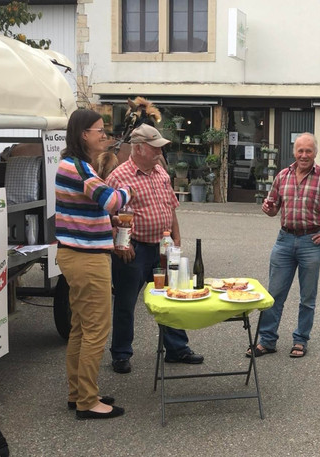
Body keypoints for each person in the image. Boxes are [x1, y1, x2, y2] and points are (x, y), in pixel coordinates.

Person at [105, 123, 203, 374]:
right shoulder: (119, 176)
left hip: (163, 246)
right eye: (154, 147)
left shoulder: (160, 172)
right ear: (138, 149)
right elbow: (106, 215)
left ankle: (177, 348)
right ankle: (121, 354)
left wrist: (178, 239)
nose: (159, 152)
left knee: (170, 298)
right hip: (134, 249)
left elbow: (170, 207)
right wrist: (119, 243)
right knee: (126, 303)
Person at [249, 133, 320, 358]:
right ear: (294, 152)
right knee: (274, 294)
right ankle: (267, 341)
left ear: (315, 153)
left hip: (312, 241)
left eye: (308, 151)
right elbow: (274, 208)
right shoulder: (282, 176)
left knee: (307, 297)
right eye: (300, 151)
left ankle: (300, 340)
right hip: (284, 240)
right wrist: (269, 210)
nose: (304, 155)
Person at [55, 109, 131, 420]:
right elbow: (111, 200)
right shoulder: (78, 168)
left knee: (80, 328)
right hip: (87, 259)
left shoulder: (74, 165)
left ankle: (78, 393)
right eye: (99, 130)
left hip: (78, 255)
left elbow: (91, 205)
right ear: (83, 134)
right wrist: (128, 191)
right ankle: (88, 401)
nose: (104, 135)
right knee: (97, 329)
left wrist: (105, 219)